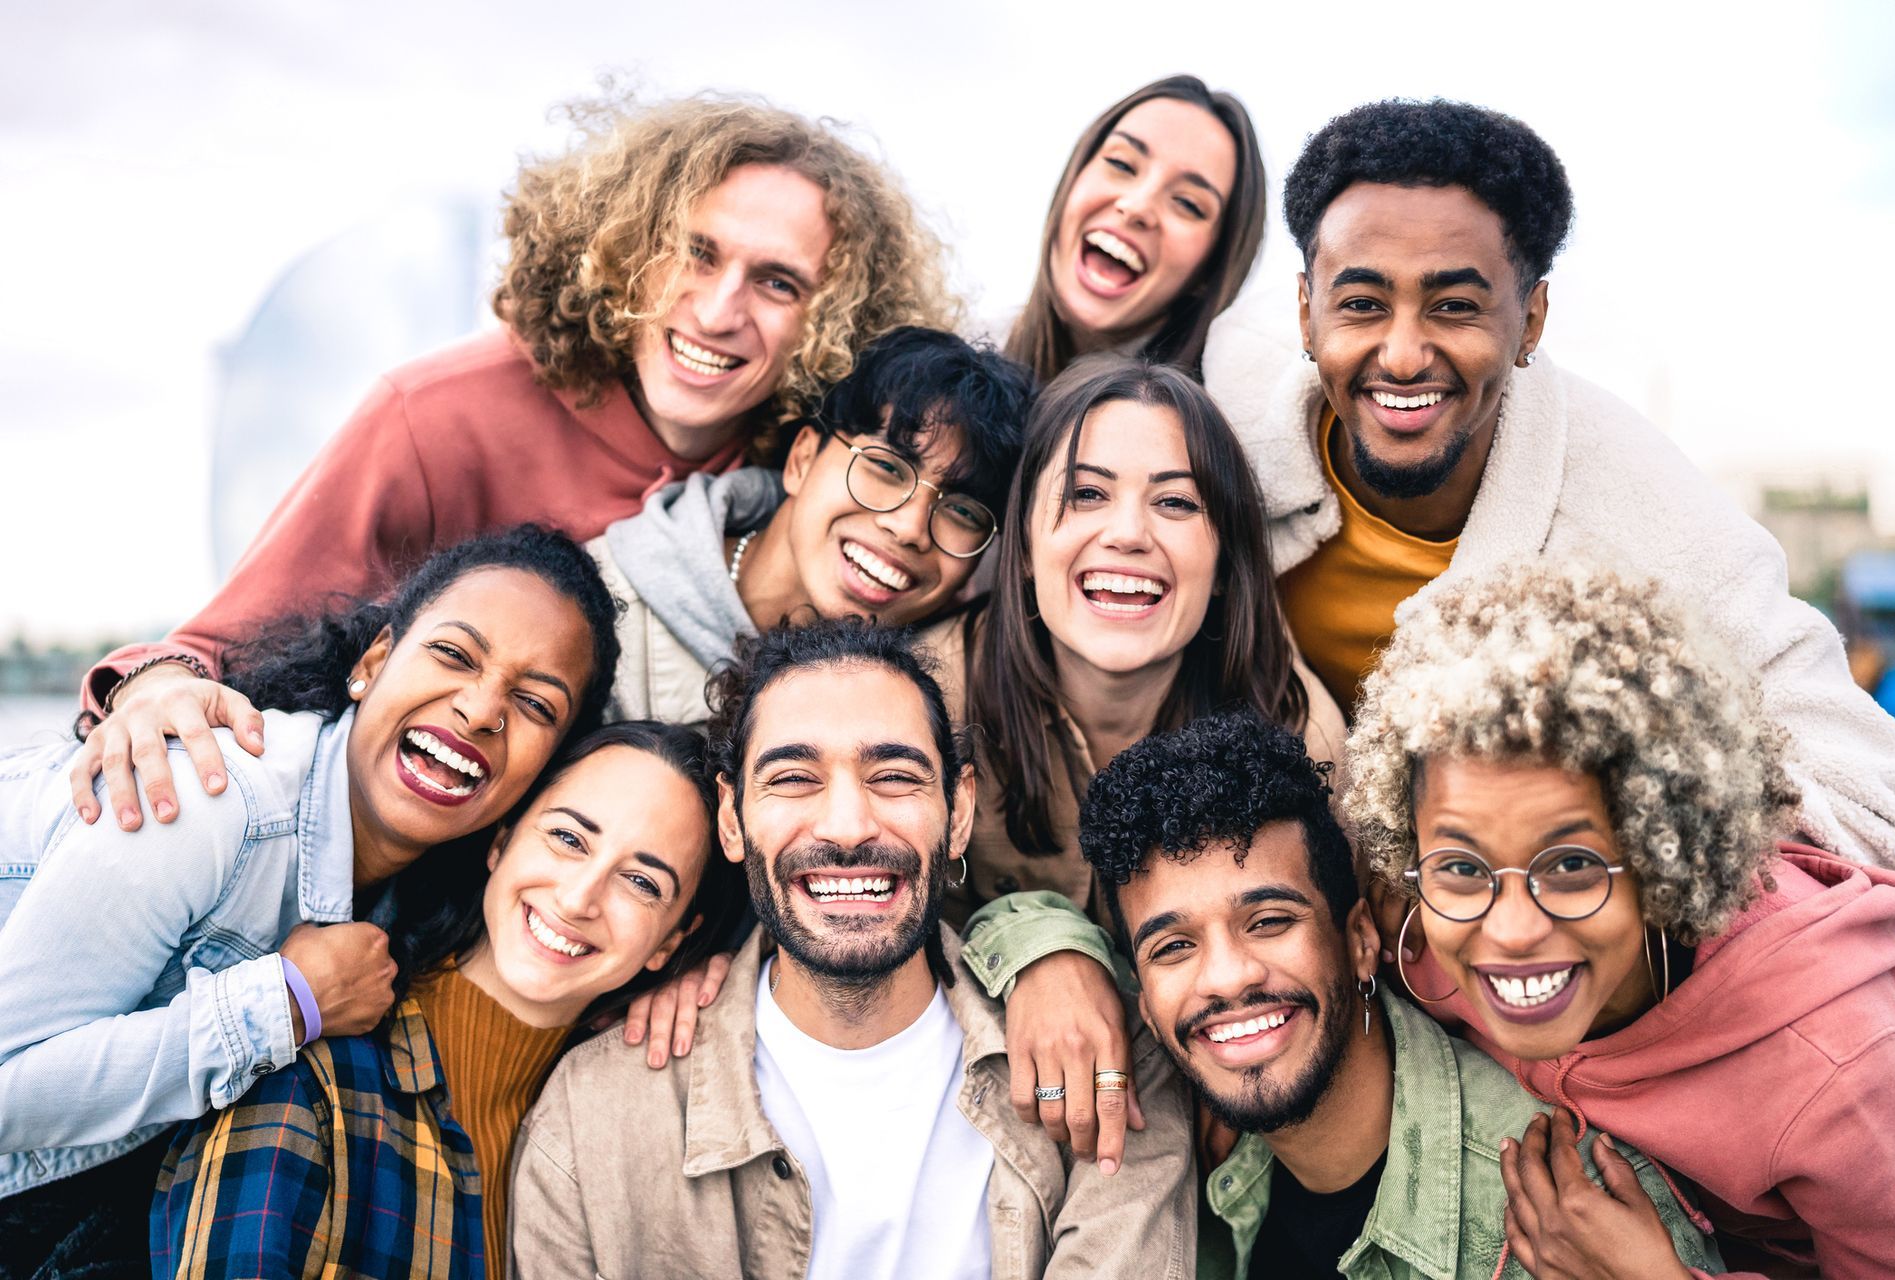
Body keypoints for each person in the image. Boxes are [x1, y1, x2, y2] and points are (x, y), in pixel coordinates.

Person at [70, 92, 955, 837]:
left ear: (831, 320)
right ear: (623, 248)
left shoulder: (807, 469)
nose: (720, 311)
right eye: (695, 252)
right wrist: (152, 688)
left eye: (778, 283)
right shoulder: (438, 415)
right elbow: (223, 649)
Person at [1197, 97, 1895, 872]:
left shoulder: (1644, 512)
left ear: (1532, 320)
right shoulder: (1232, 387)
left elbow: (1881, 798)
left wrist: (1610, 815)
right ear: (1307, 312)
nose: (1403, 354)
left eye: (1454, 307)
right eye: (1363, 305)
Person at [0, 525, 618, 1274]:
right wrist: (282, 1004)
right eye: (454, 655)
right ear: (372, 663)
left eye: (536, 704)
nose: (483, 709)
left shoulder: (413, 902)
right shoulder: (208, 796)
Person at [511, 619, 1196, 1279]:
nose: (846, 826)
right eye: (793, 778)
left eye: (895, 776)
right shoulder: (592, 1112)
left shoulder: (1109, 1060)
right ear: (731, 818)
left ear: (957, 813)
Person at [1343, 562, 1895, 1277]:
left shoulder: (1835, 1067)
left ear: (1662, 858)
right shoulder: (1424, 935)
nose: (1514, 931)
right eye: (1463, 868)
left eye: (1572, 867)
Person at [1077, 710, 1721, 1280]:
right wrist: (1043, 953)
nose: (1226, 978)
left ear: (1361, 940)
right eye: (1173, 948)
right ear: (1145, 1006)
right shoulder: (1175, 1127)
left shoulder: (1569, 1215)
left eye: (1269, 921)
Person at [925, 354, 1344, 1168]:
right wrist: (1035, 946)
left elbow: (1349, 961)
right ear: (1019, 548)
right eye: (1085, 494)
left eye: (1176, 503)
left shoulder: (1296, 734)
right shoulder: (928, 701)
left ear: (1225, 564)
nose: (1126, 532)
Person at [154, 720, 748, 1280]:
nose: (578, 898)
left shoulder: (625, 1125)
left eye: (642, 883)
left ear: (670, 941)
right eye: (568, 838)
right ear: (502, 840)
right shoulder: (311, 1079)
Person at [586, 325, 1032, 724]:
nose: (910, 527)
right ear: (801, 459)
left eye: (963, 512)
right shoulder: (596, 612)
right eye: (886, 467)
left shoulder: (940, 709)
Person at [1003, 75, 1263, 385]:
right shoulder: (955, 352)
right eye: (1121, 164)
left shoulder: (1227, 410)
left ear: (1209, 271)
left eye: (1188, 203)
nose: (1138, 206)